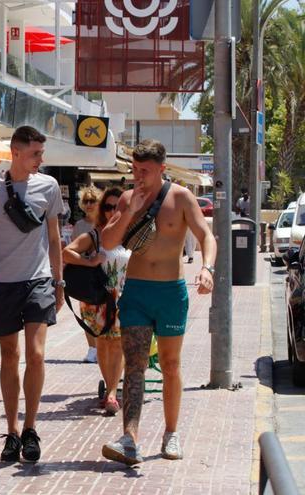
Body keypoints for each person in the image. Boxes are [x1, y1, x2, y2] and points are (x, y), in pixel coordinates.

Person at [100, 139, 216, 465]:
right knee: (134, 366)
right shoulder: (126, 199)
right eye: (135, 169)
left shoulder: (180, 197)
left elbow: (206, 236)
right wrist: (130, 211)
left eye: (146, 171)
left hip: (170, 293)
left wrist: (207, 268)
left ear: (162, 169)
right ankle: (129, 439)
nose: (139, 176)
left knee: (170, 365)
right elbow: (108, 241)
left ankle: (171, 433)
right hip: (136, 291)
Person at [0, 125, 65, 464]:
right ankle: (12, 431)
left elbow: (54, 238)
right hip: (2, 283)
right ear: (16, 153)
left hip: (37, 281)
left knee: (35, 355)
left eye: (41, 153)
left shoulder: (48, 187)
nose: (40, 159)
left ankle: (32, 429)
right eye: (35, 153)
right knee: (9, 355)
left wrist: (59, 281)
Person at [62, 188, 128, 416]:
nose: (112, 211)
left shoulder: (131, 235)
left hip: (123, 297)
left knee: (118, 343)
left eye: (117, 207)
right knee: (103, 343)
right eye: (108, 207)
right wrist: (89, 261)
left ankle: (111, 392)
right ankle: (110, 387)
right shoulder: (95, 235)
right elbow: (66, 253)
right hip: (98, 298)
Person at [72, 185, 102, 363]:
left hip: (104, 273)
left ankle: (103, 347)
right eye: (86, 201)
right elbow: (74, 250)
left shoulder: (105, 223)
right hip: (86, 273)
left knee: (104, 312)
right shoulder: (80, 225)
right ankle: (92, 349)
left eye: (93, 200)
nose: (89, 204)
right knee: (87, 313)